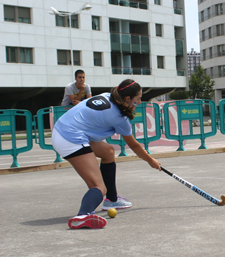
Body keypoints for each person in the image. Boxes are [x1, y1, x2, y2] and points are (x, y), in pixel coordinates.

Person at [52, 79, 161, 229]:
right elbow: (134, 145)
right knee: (98, 187)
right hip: (70, 138)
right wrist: (151, 161)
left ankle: (112, 199)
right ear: (128, 99)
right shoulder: (119, 117)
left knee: (108, 152)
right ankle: (82, 216)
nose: (140, 102)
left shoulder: (107, 96)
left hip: (64, 129)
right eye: (138, 99)